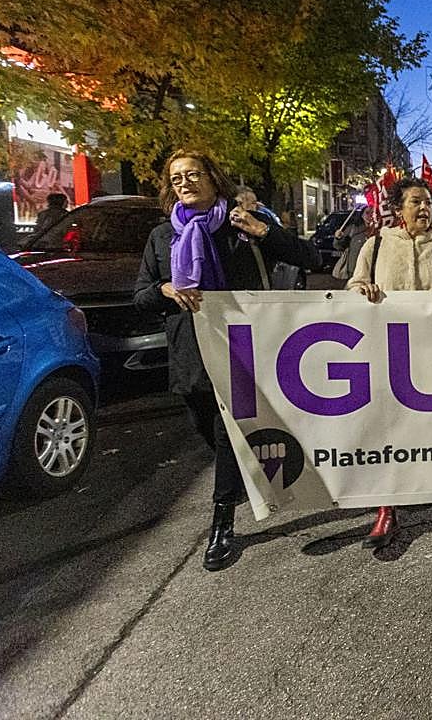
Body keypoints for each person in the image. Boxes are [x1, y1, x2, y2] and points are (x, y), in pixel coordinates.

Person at [134, 149, 316, 572]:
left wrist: (264, 233)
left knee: (226, 430)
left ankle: (221, 525)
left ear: (214, 178)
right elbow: (140, 296)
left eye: (193, 174)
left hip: (242, 350)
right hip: (191, 350)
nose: (185, 183)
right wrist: (164, 290)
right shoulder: (163, 237)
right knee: (206, 427)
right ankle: (236, 480)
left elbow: (310, 259)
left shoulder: (241, 225)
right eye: (176, 178)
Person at [347, 178, 432, 549]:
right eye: (415, 203)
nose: (423, 209)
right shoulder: (375, 246)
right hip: (388, 353)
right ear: (398, 208)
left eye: (428, 202)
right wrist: (363, 291)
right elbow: (353, 287)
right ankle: (385, 508)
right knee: (387, 429)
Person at [332, 208, 368, 281]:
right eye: (367, 212)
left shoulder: (381, 229)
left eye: (373, 212)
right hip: (353, 270)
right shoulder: (353, 229)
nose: (370, 215)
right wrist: (338, 238)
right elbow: (339, 246)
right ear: (362, 215)